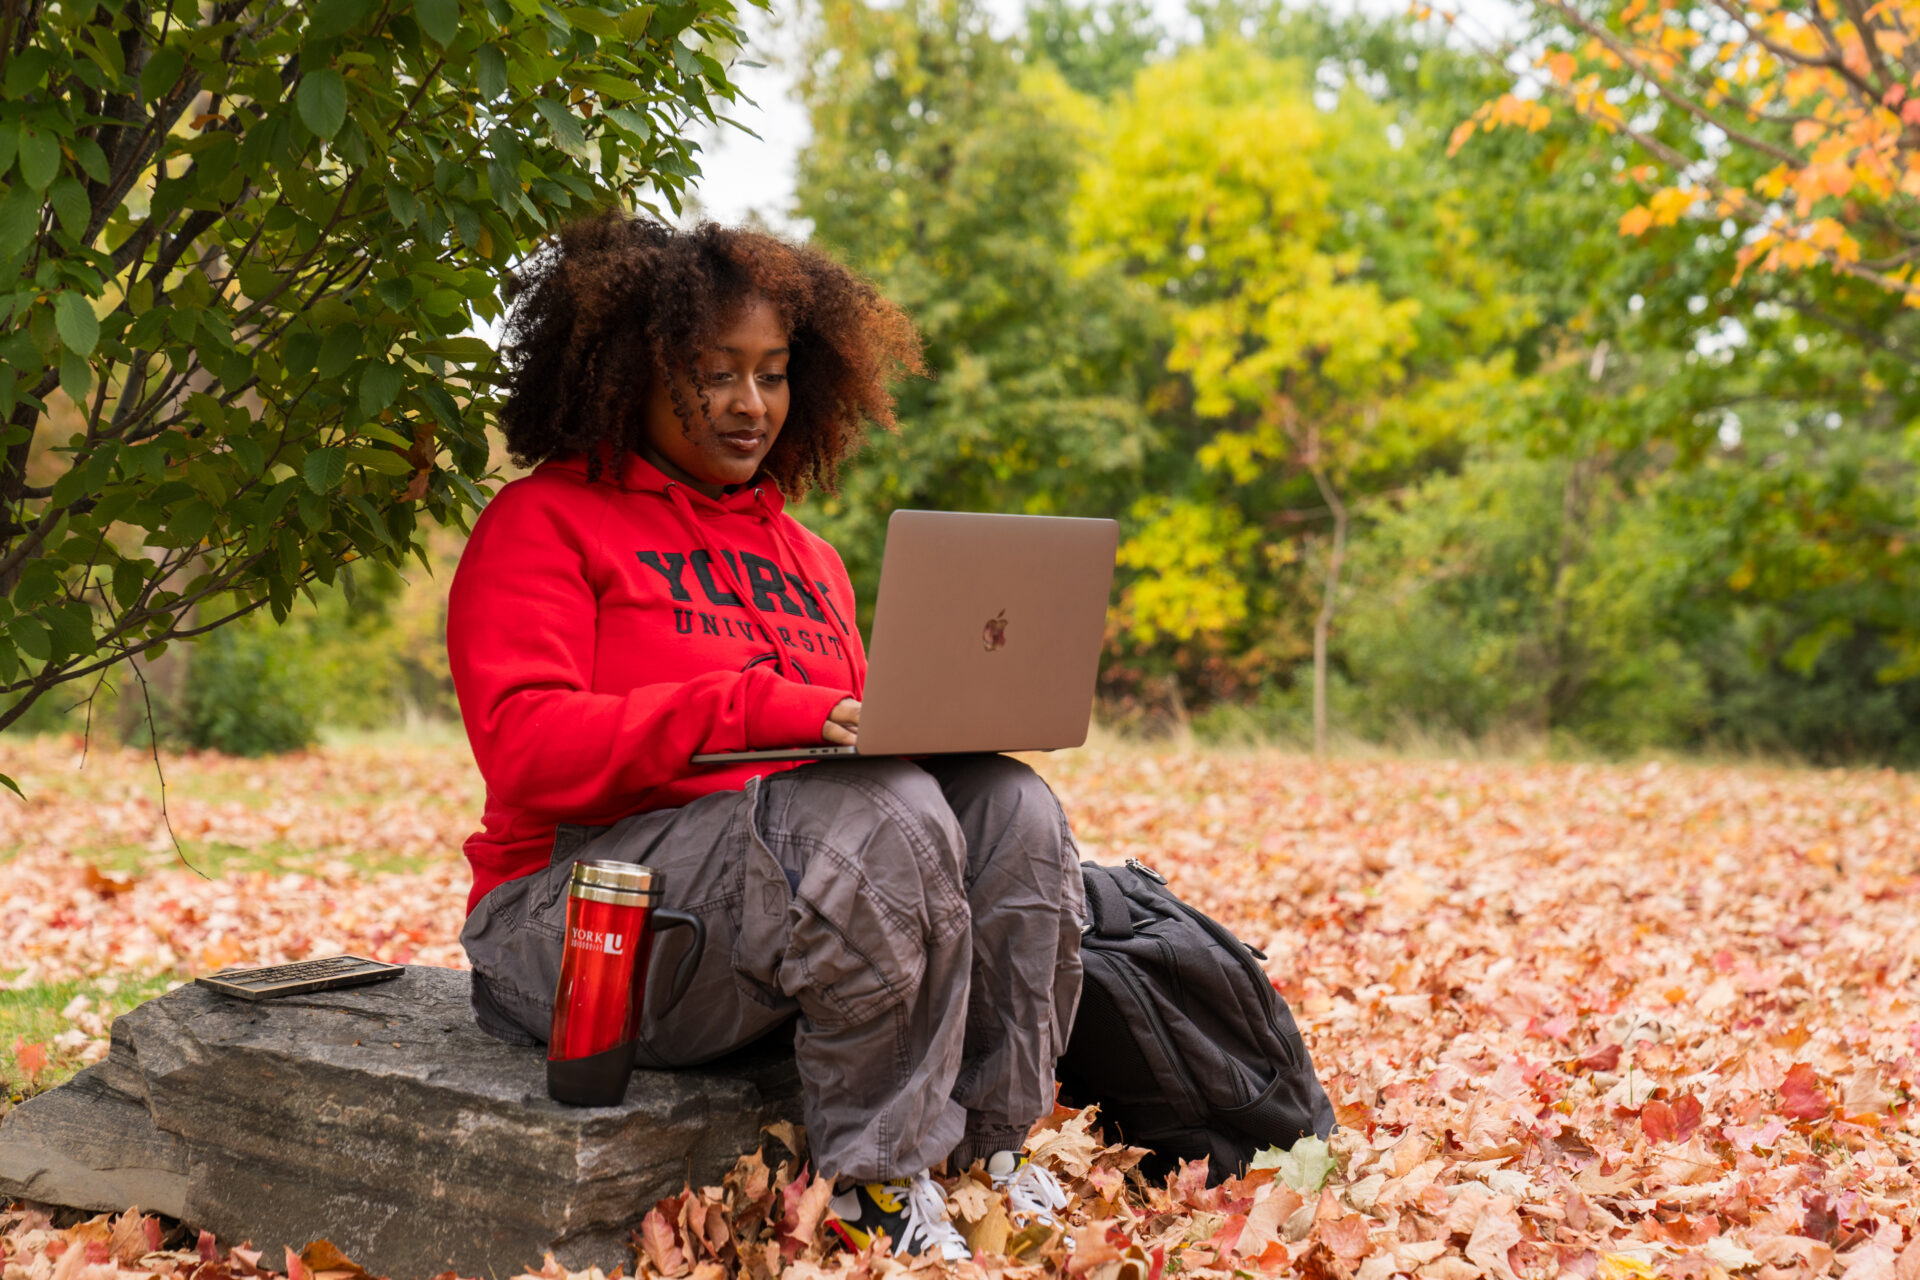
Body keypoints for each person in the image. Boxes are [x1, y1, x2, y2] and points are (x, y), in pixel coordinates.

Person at [446, 214, 1086, 1260]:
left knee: (1009, 804)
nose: (752, 404)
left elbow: (864, 769)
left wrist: (951, 722)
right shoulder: (544, 522)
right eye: (715, 372)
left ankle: (987, 1153)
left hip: (761, 916)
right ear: (631, 373)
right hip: (577, 924)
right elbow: (526, 747)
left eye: (775, 373)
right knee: (867, 822)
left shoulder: (809, 558)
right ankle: (872, 1184)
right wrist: (752, 705)